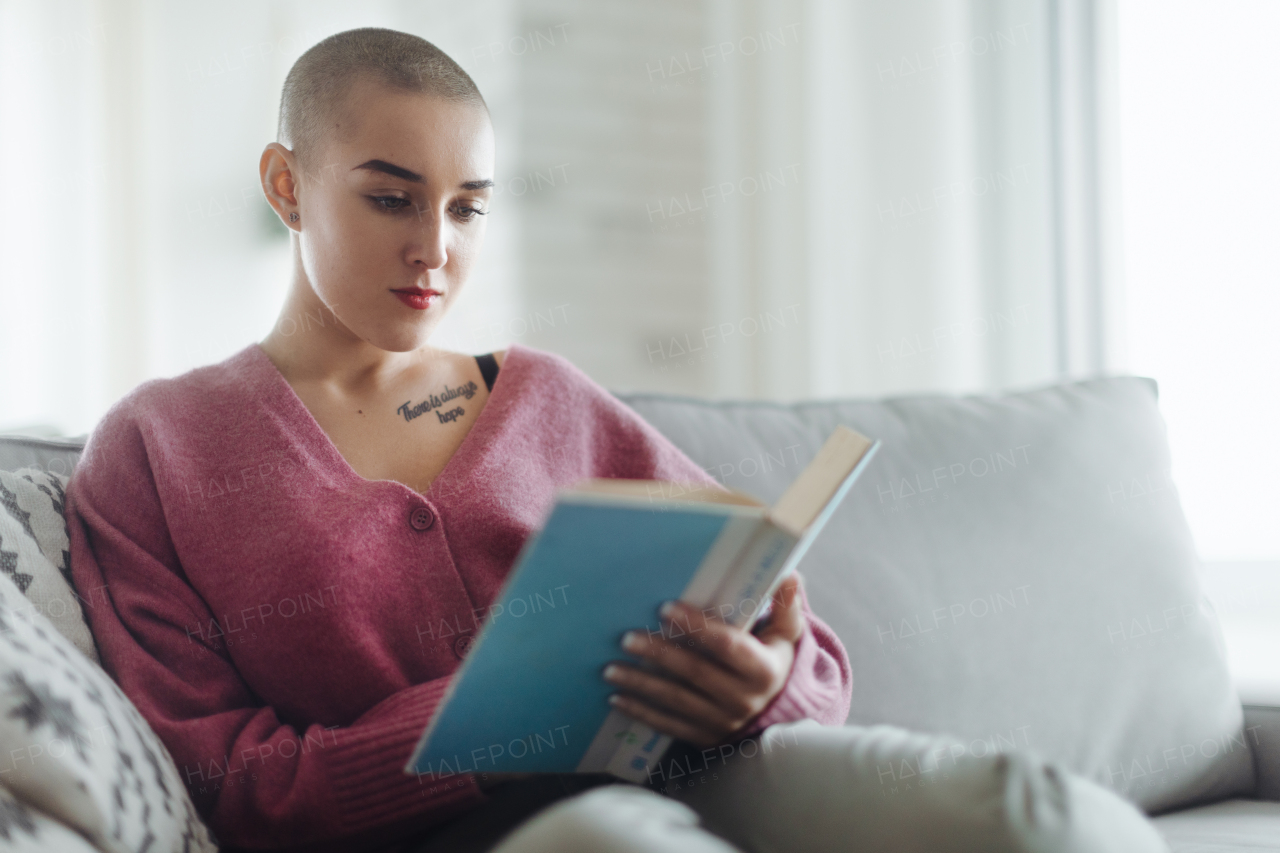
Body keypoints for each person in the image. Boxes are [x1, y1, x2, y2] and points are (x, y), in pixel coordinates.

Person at [65, 27, 1170, 853]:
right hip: (470, 838)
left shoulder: (548, 397)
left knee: (1033, 814)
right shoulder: (157, 450)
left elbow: (808, 652)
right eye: (392, 199)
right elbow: (220, 781)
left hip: (697, 772)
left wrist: (761, 683)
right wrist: (482, 731)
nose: (435, 250)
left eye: (467, 208)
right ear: (285, 185)